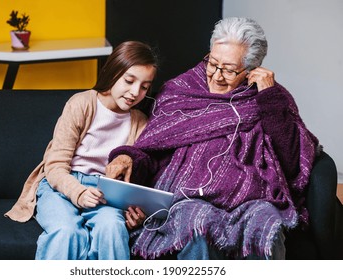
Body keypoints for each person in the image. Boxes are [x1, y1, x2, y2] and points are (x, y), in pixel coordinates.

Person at [105, 17, 320, 260]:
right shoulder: (180, 91)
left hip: (250, 198)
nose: (217, 76)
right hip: (186, 199)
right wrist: (127, 158)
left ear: (251, 69)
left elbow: (291, 161)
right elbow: (150, 151)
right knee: (196, 220)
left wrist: (268, 97)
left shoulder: (270, 97)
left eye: (229, 70)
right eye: (213, 63)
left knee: (266, 222)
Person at [4, 41, 159, 260]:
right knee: (66, 232)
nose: (135, 92)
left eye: (144, 87)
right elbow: (55, 166)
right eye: (129, 81)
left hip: (105, 193)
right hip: (61, 186)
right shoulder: (81, 104)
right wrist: (78, 192)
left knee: (112, 230)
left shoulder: (140, 122)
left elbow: (134, 176)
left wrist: (135, 210)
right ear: (114, 72)